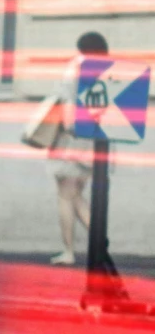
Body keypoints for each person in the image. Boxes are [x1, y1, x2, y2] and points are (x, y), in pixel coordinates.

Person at [25, 29, 109, 266]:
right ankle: (99, 240)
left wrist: (70, 125)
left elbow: (69, 112)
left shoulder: (76, 68)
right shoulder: (105, 72)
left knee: (65, 196)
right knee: (76, 195)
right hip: (93, 143)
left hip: (71, 144)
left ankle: (72, 250)